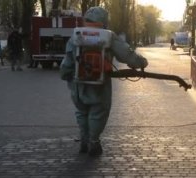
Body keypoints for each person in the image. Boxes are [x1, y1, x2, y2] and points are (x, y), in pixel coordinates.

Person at [60, 7, 148, 156]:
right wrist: (141, 63)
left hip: (78, 84)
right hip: (99, 83)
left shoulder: (76, 34)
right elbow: (126, 54)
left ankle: (84, 140)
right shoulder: (108, 36)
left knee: (81, 111)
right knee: (98, 112)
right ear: (104, 21)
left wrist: (65, 75)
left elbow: (67, 61)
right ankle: (94, 142)